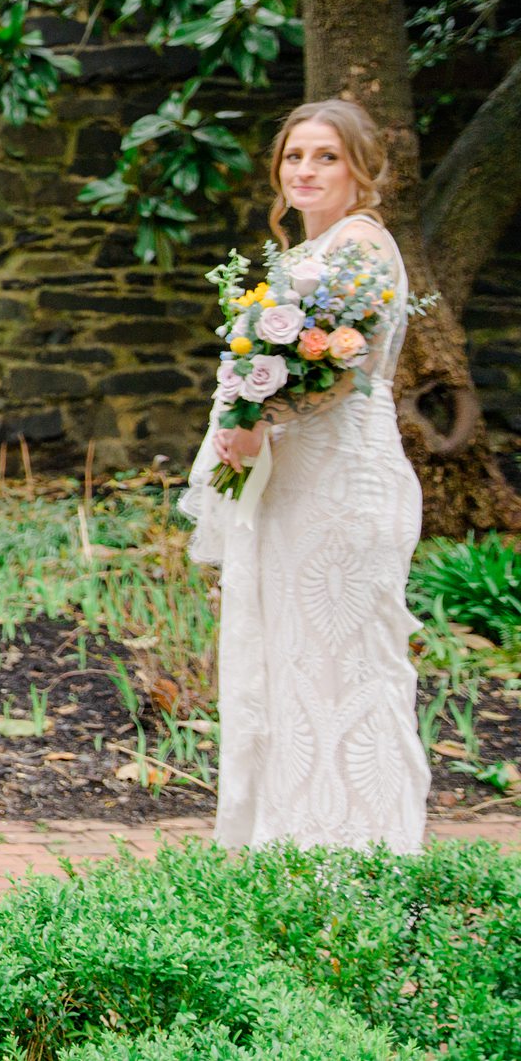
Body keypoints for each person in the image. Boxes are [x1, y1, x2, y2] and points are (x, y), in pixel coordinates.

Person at [182, 99, 429, 854]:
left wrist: (258, 416)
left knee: (344, 658)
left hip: (340, 482)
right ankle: (293, 838)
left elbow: (336, 363)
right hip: (296, 482)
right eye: (294, 156)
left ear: (361, 168)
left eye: (325, 156)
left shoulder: (358, 246)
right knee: (295, 659)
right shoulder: (303, 255)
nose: (305, 171)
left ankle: (359, 849)